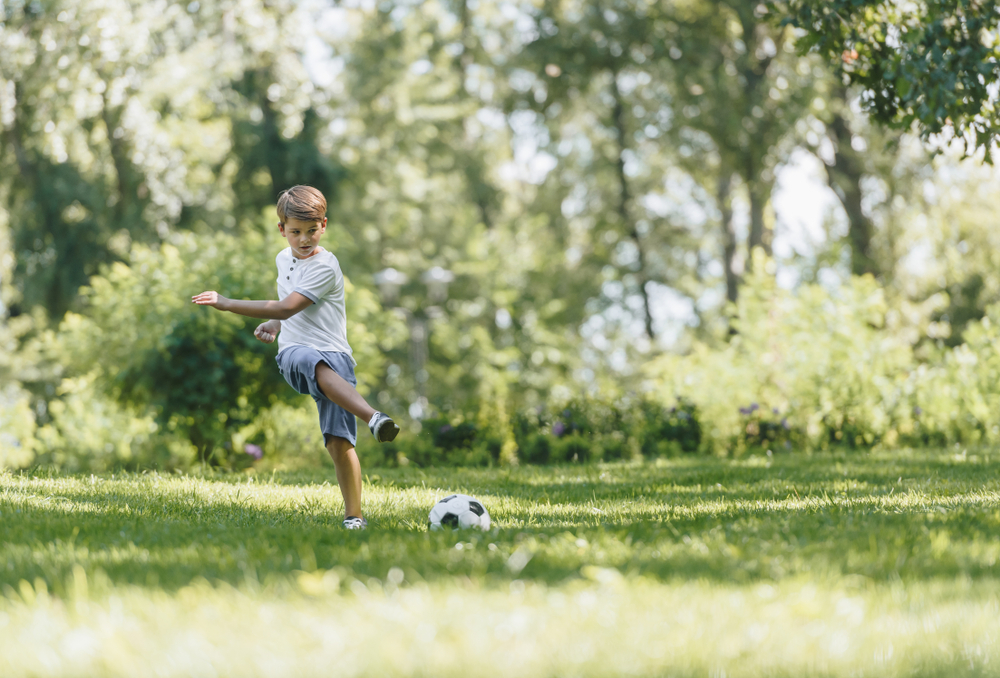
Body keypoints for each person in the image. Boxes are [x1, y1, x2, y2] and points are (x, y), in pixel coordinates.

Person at [192, 185, 398, 530]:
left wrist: (230, 303)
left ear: (324, 225)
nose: (304, 239)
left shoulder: (325, 265)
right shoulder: (283, 260)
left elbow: (289, 305)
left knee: (339, 443)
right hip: (293, 352)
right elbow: (289, 306)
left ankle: (354, 516)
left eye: (312, 230)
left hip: (336, 355)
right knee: (306, 360)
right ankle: (374, 417)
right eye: (295, 232)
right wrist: (274, 325)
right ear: (282, 229)